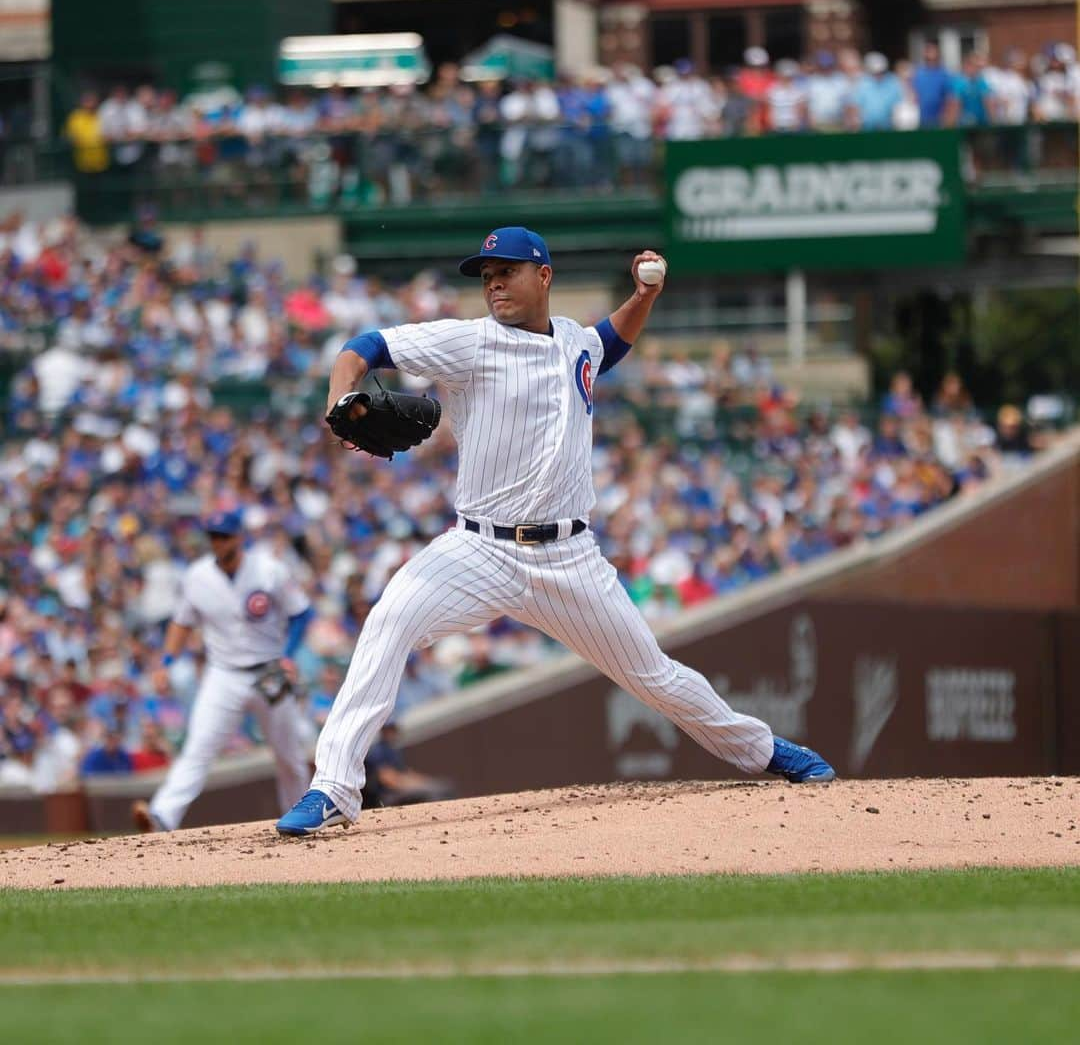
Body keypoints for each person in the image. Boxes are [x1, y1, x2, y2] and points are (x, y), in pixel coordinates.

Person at [277, 226, 835, 836]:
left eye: (506, 271)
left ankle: (766, 752)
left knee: (655, 677)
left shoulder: (573, 341)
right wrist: (339, 396)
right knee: (388, 623)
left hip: (570, 559)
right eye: (486, 276)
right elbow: (364, 346)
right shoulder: (469, 343)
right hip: (478, 549)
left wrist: (644, 298)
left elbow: (608, 344)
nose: (493, 284)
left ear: (543, 276)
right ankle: (333, 787)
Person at [132, 509, 313, 832]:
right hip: (224, 674)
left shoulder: (269, 570)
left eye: (224, 536)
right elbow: (181, 623)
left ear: (238, 538)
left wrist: (288, 655)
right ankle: (162, 816)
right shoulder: (197, 576)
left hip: (268, 669)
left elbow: (301, 613)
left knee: (289, 757)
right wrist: (166, 662)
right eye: (213, 537)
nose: (217, 542)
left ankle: (302, 815)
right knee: (198, 747)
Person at [360, 722, 454, 809]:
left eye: (393, 729)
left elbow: (406, 772)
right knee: (430, 794)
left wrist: (425, 783)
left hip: (400, 790)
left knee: (443, 787)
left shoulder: (393, 749)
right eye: (388, 729)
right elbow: (387, 778)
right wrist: (411, 786)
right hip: (386, 796)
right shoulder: (377, 751)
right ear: (382, 731)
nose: (391, 732)